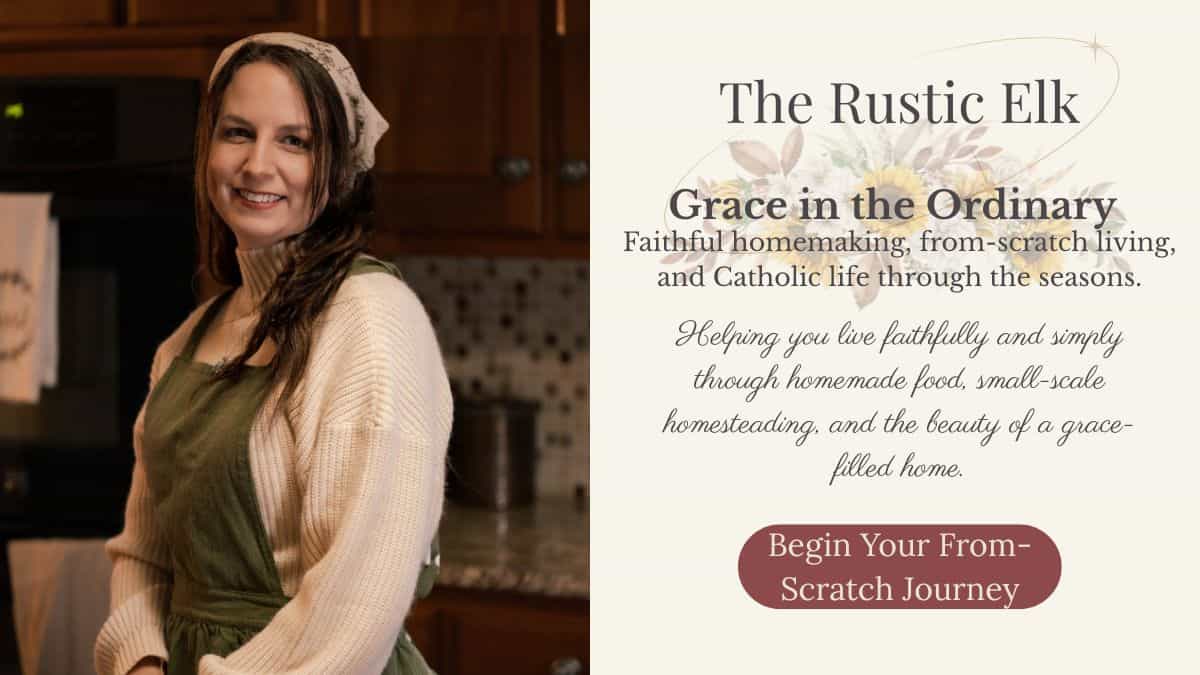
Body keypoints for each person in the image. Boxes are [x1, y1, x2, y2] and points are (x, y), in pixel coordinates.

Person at [92, 33, 452, 675]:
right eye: (238, 132)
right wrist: (140, 662)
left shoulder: (368, 323)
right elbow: (145, 553)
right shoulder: (190, 338)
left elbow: (357, 607)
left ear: (339, 167)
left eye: (295, 140)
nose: (258, 165)